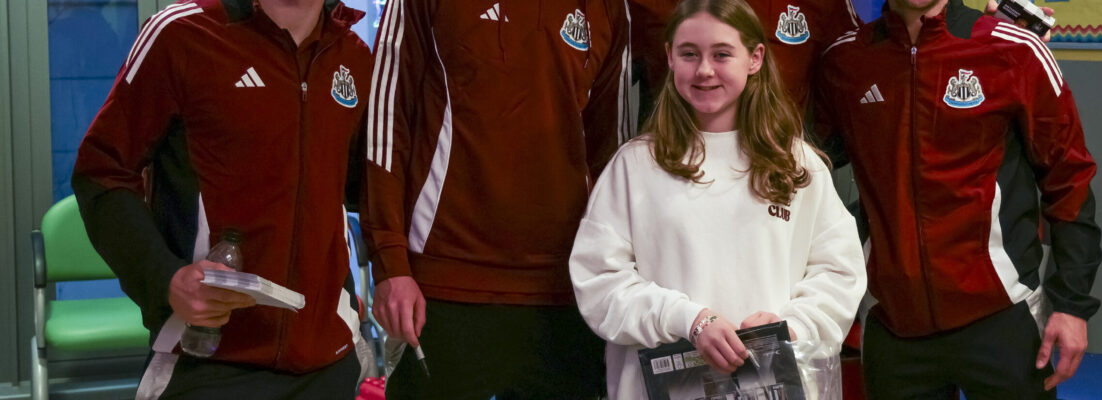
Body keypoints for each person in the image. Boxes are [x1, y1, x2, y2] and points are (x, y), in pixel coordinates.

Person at [72, 0, 374, 397]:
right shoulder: (182, 34)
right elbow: (101, 172)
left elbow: (358, 191)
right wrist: (165, 279)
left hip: (327, 362)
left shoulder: (354, 55)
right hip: (206, 356)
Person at [568, 0, 867, 398]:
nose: (704, 70)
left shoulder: (799, 166)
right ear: (669, 59)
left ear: (755, 58)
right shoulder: (635, 166)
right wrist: (688, 320)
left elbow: (840, 273)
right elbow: (599, 280)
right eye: (689, 54)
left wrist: (791, 325)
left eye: (722, 54)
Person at [815, 0, 1101, 398]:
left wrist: (1072, 303)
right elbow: (802, 164)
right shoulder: (844, 59)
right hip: (893, 322)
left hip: (1003, 316)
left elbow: (1069, 179)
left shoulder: (1014, 49)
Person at [361, 0, 632, 398]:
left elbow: (615, 152)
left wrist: (612, 271)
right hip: (445, 281)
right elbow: (387, 124)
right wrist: (389, 262)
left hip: (565, 292)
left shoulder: (609, 7)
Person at [630, 0, 863, 124]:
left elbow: (856, 87)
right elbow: (606, 95)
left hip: (777, 176)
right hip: (670, 171)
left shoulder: (825, 5)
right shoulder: (638, 6)